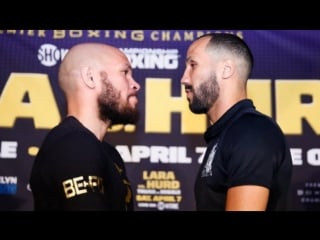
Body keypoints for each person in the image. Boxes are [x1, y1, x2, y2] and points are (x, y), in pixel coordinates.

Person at [181, 33, 292, 211]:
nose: (184, 78)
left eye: (193, 65)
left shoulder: (252, 132)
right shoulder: (226, 134)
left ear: (226, 70)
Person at [29, 42, 140, 211]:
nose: (135, 84)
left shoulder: (108, 153)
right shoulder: (74, 146)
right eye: (125, 72)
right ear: (90, 78)